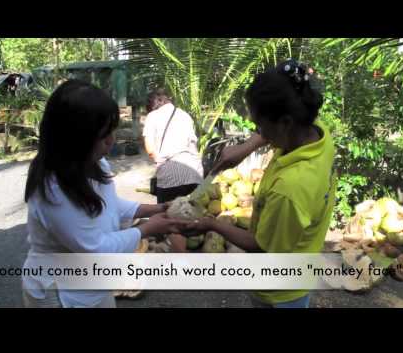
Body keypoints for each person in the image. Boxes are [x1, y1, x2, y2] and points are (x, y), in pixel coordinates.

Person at [183, 59, 337, 308]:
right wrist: (247, 147)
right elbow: (277, 128)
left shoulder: (291, 189)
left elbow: (261, 247)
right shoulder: (316, 133)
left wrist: (211, 224)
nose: (258, 131)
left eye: (260, 126)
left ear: (285, 123)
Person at [22, 80, 187, 308]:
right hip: (62, 291)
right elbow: (96, 248)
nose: (111, 140)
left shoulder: (93, 163)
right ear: (73, 137)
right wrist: (147, 228)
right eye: (102, 135)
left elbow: (109, 204)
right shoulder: (54, 187)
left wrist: (156, 209)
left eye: (111, 130)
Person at [143, 89, 204, 252]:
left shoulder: (152, 117)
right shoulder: (185, 115)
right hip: (195, 173)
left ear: (152, 105)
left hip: (171, 176)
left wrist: (159, 161)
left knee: (172, 222)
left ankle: (181, 263)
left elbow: (149, 149)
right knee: (192, 218)